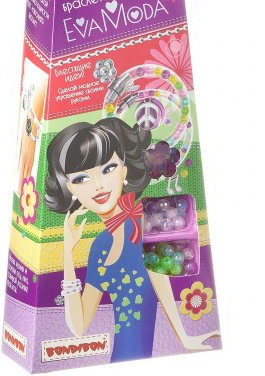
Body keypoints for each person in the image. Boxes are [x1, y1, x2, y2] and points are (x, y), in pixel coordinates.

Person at [45, 117, 219, 362]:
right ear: (70, 189)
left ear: (124, 170)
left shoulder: (145, 222)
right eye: (82, 179)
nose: (98, 185)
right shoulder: (100, 247)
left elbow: (161, 283)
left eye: (108, 169)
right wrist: (67, 253)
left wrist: (184, 337)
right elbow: (79, 326)